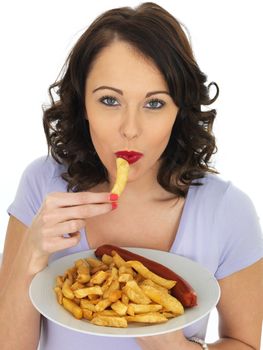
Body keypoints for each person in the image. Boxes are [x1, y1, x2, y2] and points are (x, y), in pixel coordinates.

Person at [0, 2, 262, 350]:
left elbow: (244, 342)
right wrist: (31, 253)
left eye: (154, 103)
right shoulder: (42, 184)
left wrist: (176, 347)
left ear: (179, 111)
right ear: (82, 106)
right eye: (109, 100)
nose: (130, 129)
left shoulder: (228, 210)